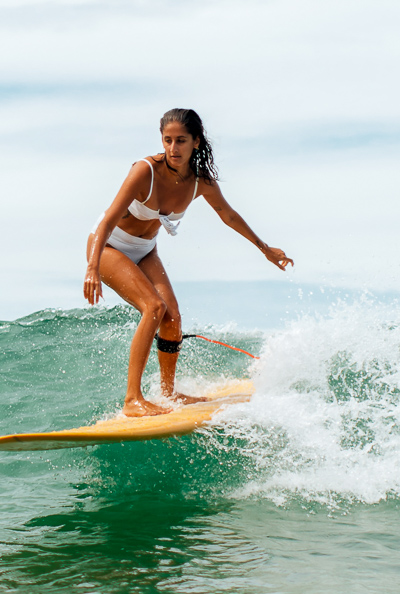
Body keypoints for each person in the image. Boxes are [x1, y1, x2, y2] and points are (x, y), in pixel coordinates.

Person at [84, 108, 293, 417]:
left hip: (145, 250)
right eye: (167, 140)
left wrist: (264, 249)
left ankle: (168, 393)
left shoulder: (200, 181)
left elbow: (228, 215)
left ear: (196, 141)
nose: (173, 148)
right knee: (153, 308)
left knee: (172, 319)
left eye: (181, 140)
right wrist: (91, 268)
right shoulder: (145, 171)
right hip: (108, 247)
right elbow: (107, 221)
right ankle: (133, 399)